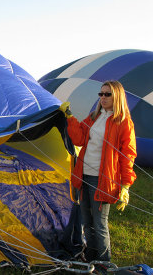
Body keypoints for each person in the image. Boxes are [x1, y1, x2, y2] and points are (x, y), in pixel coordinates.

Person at [59, 80, 137, 263]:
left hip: (103, 180)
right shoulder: (94, 117)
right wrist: (69, 117)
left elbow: (128, 155)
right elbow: (78, 139)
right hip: (84, 174)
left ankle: (104, 262)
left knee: (100, 224)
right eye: (100, 94)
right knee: (87, 222)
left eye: (107, 94)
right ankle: (91, 258)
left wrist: (125, 185)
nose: (103, 97)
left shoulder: (124, 122)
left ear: (116, 96)